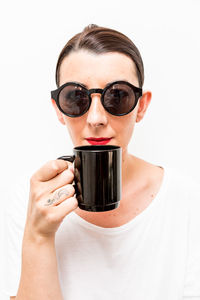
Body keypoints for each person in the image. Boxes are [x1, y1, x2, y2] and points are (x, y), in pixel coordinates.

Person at [2, 24, 200, 300]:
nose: (96, 118)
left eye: (117, 96)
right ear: (59, 109)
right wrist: (38, 236)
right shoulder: (28, 199)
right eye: (76, 97)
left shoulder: (188, 202)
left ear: (140, 107)